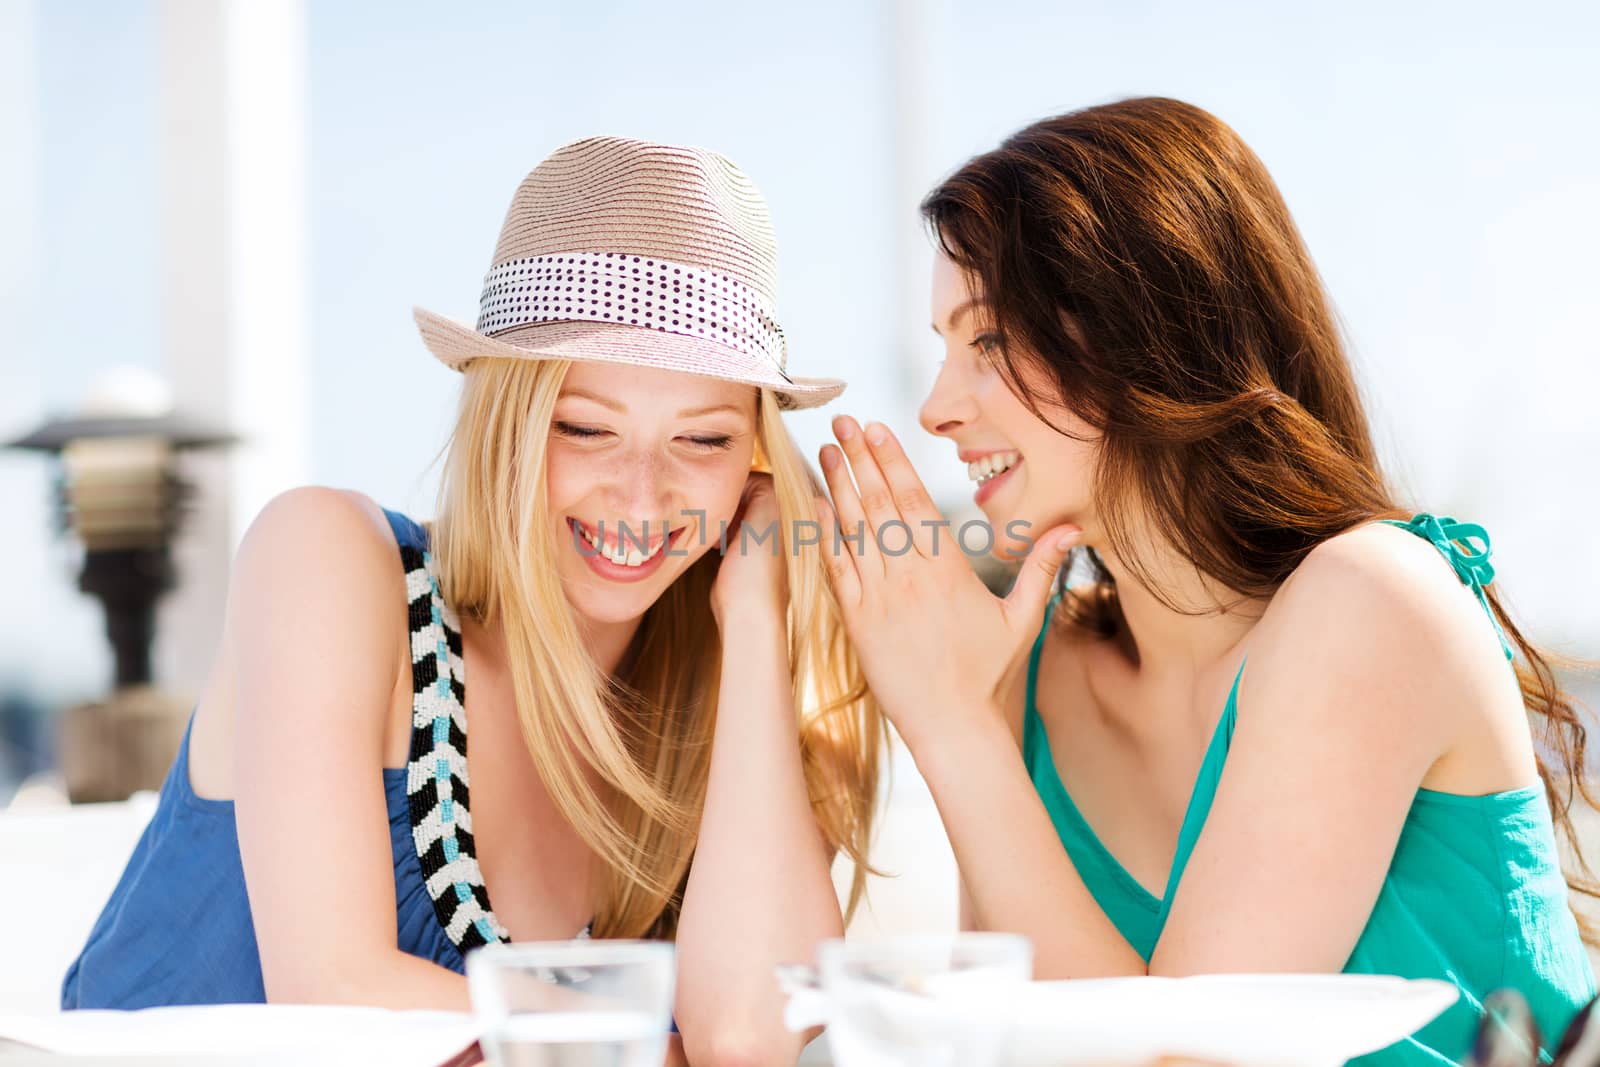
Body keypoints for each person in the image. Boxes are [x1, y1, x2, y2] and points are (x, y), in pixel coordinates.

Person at [62, 136, 884, 1067]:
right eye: (584, 427)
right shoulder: (328, 558)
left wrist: (752, 611)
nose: (644, 496)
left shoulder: (705, 703)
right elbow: (338, 996)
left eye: (701, 442)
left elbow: (749, 1039)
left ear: (755, 466)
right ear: (507, 423)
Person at [812, 97, 1597, 1066]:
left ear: (1142, 329)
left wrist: (946, 719)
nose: (935, 408)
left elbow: (1186, 1060)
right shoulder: (1030, 674)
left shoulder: (1372, 599)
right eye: (943, 348)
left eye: (987, 340)